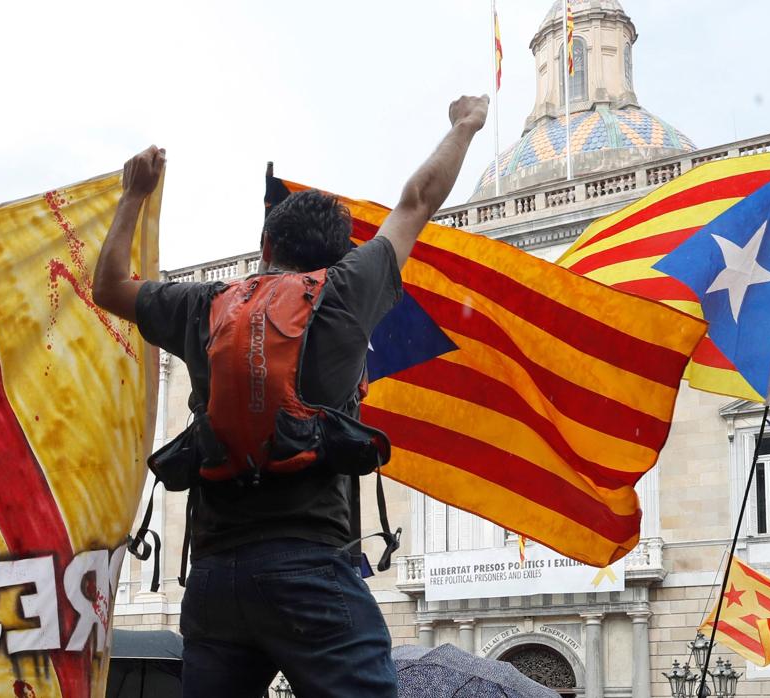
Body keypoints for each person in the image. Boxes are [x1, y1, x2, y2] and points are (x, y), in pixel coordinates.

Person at [92, 94, 490, 698]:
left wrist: (134, 195)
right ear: (341, 254)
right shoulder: (348, 290)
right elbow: (416, 202)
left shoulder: (204, 305)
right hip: (310, 572)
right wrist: (466, 125)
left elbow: (110, 285)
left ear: (264, 244)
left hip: (215, 579)